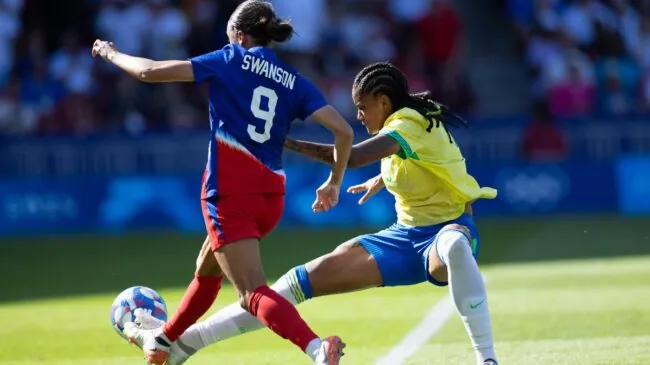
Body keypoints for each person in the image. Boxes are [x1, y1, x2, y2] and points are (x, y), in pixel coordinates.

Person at [135, 62, 500, 365]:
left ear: (384, 101)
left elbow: (352, 156)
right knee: (290, 285)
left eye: (363, 107)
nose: (358, 115)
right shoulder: (403, 127)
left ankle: (487, 359)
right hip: (401, 239)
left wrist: (285, 141)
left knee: (453, 245)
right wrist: (382, 180)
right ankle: (186, 345)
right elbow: (426, 163)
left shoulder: (408, 124)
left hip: (447, 230)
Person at [91, 1, 354, 364]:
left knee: (251, 293)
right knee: (208, 266)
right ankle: (164, 343)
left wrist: (111, 53)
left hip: (230, 193)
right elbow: (343, 131)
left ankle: (316, 348)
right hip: (269, 199)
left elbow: (150, 71)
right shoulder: (293, 79)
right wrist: (333, 183)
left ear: (239, 35)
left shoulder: (230, 58)